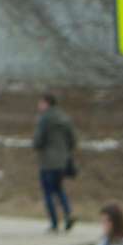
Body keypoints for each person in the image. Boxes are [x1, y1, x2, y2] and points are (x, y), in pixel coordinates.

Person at [33, 93, 77, 233]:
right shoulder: (64, 117)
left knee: (48, 192)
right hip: (62, 161)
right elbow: (73, 138)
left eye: (40, 103)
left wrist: (36, 146)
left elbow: (39, 140)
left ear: (47, 103)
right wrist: (65, 151)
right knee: (59, 189)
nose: (39, 106)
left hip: (48, 161)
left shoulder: (45, 119)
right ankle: (68, 214)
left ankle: (54, 223)